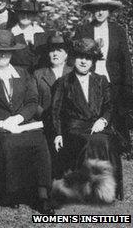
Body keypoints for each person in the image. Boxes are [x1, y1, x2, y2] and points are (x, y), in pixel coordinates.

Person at [0, 30, 53, 214]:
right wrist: (1, 122)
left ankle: (43, 193)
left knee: (38, 140)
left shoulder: (23, 74)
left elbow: (32, 101)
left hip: (20, 121)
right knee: (8, 141)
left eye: (6, 52)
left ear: (12, 53)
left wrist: (19, 118)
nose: (2, 55)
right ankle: (11, 192)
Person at [50, 38, 123, 203]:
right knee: (87, 141)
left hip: (97, 126)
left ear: (93, 61)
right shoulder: (63, 82)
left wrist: (103, 120)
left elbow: (110, 106)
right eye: (80, 57)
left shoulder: (101, 81)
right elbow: (55, 111)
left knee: (106, 140)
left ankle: (106, 189)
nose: (83, 61)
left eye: (88, 58)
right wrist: (57, 134)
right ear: (73, 59)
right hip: (74, 128)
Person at [74, 0, 133, 153]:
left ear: (109, 11)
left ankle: (119, 146)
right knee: (93, 109)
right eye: (97, 9)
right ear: (92, 11)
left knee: (114, 109)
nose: (100, 12)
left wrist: (128, 85)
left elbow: (125, 60)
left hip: (112, 78)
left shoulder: (118, 31)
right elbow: (77, 57)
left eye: (104, 9)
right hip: (90, 77)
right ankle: (93, 144)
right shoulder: (83, 30)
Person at [33, 33, 72, 122]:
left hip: (70, 122)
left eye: (59, 51)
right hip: (45, 121)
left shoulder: (74, 73)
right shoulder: (38, 74)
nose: (55, 54)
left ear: (66, 55)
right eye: (52, 51)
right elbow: (33, 101)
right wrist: (45, 117)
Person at [10, 0, 48, 72]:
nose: (25, 16)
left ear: (34, 15)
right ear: (17, 13)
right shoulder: (10, 34)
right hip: (18, 77)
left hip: (40, 78)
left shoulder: (43, 34)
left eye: (29, 13)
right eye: (22, 13)